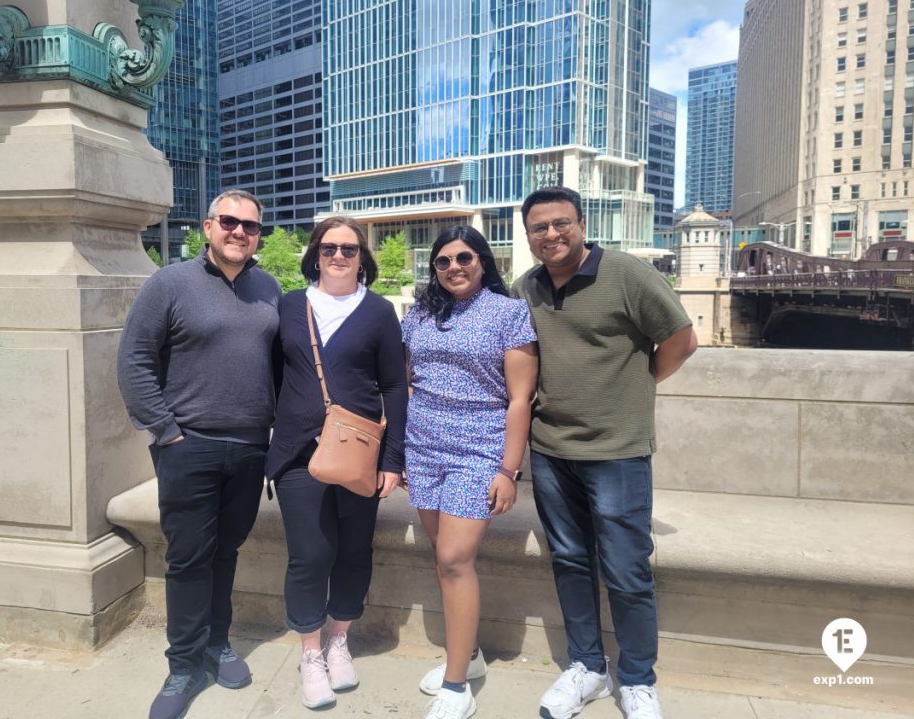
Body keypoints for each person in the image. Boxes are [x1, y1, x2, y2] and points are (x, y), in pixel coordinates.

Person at [512, 186, 697, 719]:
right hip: (550, 449)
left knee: (626, 569)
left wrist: (633, 390)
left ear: (582, 223)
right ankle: (588, 667)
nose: (551, 234)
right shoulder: (528, 288)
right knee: (570, 561)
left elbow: (681, 339)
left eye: (561, 223)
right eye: (540, 228)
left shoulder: (627, 274)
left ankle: (637, 679)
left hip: (618, 451)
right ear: (529, 236)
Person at [117, 190, 282, 719]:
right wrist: (166, 432)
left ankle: (217, 643)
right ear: (208, 227)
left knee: (226, 551)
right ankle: (183, 666)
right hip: (188, 445)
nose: (240, 232)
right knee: (188, 559)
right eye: (230, 222)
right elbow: (135, 362)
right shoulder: (169, 283)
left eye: (251, 226)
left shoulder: (270, 288)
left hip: (251, 446)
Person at [265, 216, 408, 710]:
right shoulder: (288, 306)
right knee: (310, 556)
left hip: (358, 454)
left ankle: (340, 640)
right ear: (315, 253)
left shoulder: (379, 313)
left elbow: (394, 386)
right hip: (298, 456)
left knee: (353, 552)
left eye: (349, 249)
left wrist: (393, 458)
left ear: (362, 257)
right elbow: (275, 377)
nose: (340, 257)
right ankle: (310, 652)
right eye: (330, 248)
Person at [402, 226, 538, 719]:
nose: (454, 267)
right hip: (422, 448)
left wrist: (508, 468)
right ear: (433, 268)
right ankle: (471, 657)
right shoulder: (419, 313)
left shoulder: (509, 313)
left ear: (483, 261)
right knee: (443, 560)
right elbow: (405, 380)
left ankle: (457, 686)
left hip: (477, 452)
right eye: (443, 261)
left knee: (456, 560)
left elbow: (520, 398)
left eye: (464, 257)